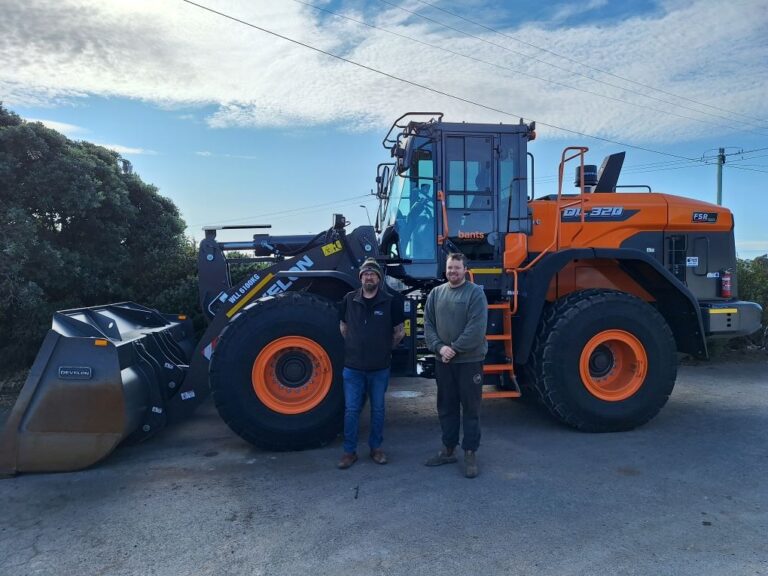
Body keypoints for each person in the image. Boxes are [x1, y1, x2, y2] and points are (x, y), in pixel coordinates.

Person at [423, 252, 488, 478]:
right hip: (444, 361)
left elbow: (477, 329)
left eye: (457, 268)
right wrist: (440, 348)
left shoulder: (475, 294)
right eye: (450, 268)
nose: (453, 272)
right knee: (446, 407)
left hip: (469, 362)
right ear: (446, 270)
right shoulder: (435, 294)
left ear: (465, 269)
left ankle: (470, 452)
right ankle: (448, 449)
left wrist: (454, 348)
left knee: (471, 408)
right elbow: (428, 325)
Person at [337, 258, 405, 469]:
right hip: (353, 367)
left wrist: (383, 349)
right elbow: (343, 327)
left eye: (373, 274)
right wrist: (356, 346)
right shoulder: (349, 299)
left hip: (379, 368)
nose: (369, 277)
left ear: (379, 278)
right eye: (365, 273)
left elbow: (399, 332)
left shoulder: (390, 301)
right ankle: (349, 452)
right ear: (361, 277)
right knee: (351, 410)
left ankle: (376, 448)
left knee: (378, 409)